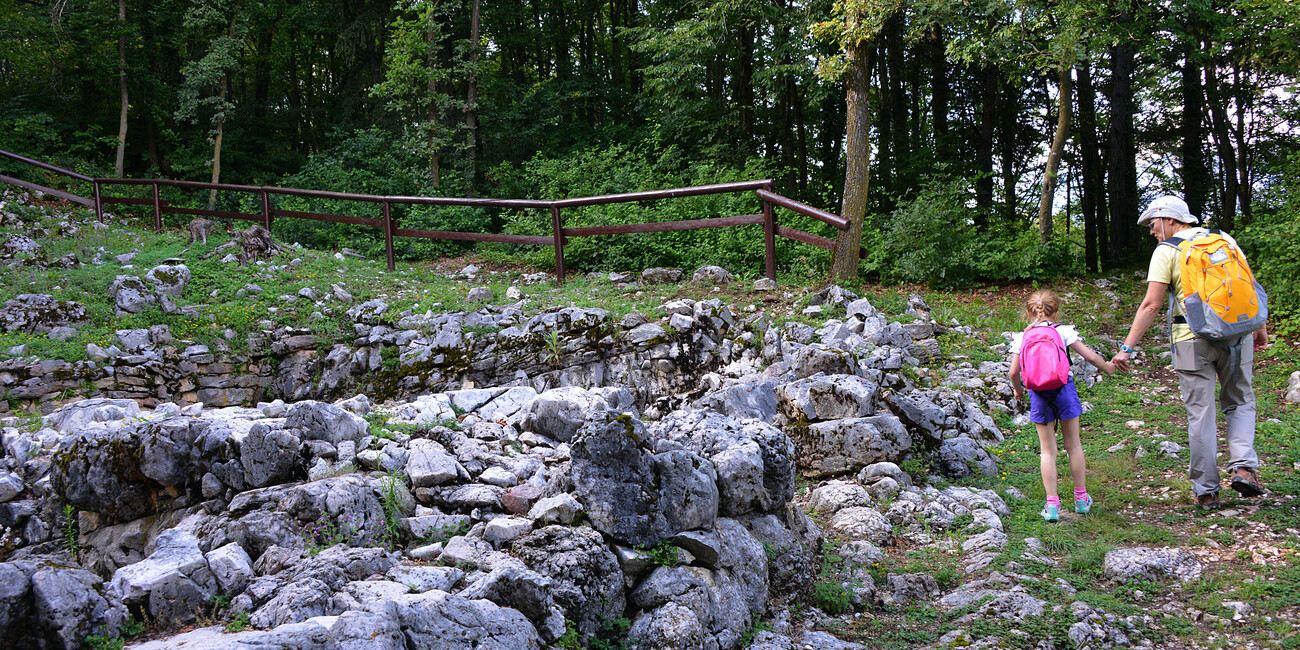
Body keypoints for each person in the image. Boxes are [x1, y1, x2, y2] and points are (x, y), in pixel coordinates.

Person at [1111, 195, 1268, 511]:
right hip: (1238, 333)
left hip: (1190, 339)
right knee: (1240, 401)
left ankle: (1207, 491)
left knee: (1201, 412)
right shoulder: (1224, 239)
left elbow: (1152, 304)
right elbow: (1247, 284)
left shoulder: (1167, 251)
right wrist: (1260, 326)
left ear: (1169, 219)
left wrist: (1126, 348)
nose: (1152, 232)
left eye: (1154, 225)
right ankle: (1243, 467)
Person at [1008, 290, 1117, 522]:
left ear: (1028, 312)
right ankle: (1081, 499)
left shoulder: (1022, 337)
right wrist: (1108, 368)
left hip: (1038, 394)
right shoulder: (1063, 331)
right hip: (1064, 390)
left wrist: (1018, 391)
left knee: (1048, 450)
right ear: (1055, 311)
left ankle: (1052, 506)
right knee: (1074, 445)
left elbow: (1013, 372)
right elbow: (1089, 356)